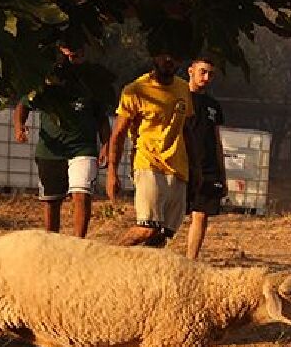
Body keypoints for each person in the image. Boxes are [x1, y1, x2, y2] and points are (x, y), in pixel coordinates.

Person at [11, 44, 111, 237]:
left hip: (83, 148)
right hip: (51, 149)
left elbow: (102, 119)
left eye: (79, 51)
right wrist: (19, 127)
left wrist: (106, 145)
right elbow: (22, 106)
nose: (74, 55)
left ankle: (78, 244)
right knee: (51, 201)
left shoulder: (91, 82)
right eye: (69, 51)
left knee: (81, 195)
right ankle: (52, 243)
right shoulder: (47, 80)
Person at [105, 43, 193, 247]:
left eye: (175, 56)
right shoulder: (135, 90)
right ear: (154, 56)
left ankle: (140, 275)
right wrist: (112, 172)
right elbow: (118, 134)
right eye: (164, 54)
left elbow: (186, 130)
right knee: (147, 228)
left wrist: (195, 169)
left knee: (162, 236)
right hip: (148, 164)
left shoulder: (182, 88)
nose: (169, 60)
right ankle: (110, 258)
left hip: (178, 168)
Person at [183, 56, 227, 260]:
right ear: (190, 71)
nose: (207, 77)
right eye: (203, 72)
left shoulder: (213, 105)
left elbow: (217, 140)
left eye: (211, 74)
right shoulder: (178, 97)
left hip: (208, 168)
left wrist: (222, 173)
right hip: (181, 165)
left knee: (201, 215)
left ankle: (191, 261)